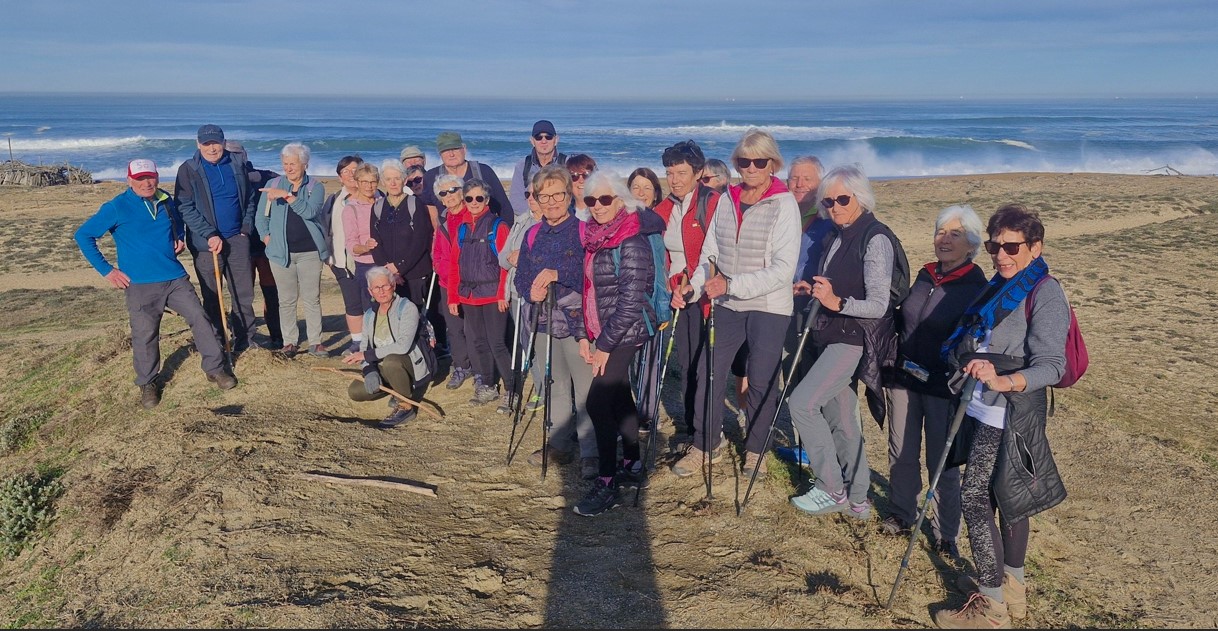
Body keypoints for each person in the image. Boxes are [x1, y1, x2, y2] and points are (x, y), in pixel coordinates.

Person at [934, 204, 1069, 629]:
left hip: (1008, 413)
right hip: (980, 405)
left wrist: (1004, 380)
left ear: (1035, 247)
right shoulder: (998, 285)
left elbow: (1052, 365)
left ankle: (990, 607)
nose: (1001, 254)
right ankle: (1013, 592)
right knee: (1005, 501)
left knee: (975, 498)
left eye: (1011, 246)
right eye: (995, 246)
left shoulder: (1044, 291)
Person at [671, 130, 800, 479]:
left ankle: (756, 450)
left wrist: (732, 283)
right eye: (745, 161)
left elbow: (782, 270)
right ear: (736, 163)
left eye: (760, 161)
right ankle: (705, 445)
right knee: (707, 372)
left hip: (769, 306)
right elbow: (709, 254)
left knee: (760, 380)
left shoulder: (784, 203)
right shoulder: (727, 197)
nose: (752, 168)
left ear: (773, 164)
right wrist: (694, 287)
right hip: (727, 303)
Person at [75, 159, 237, 409]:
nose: (146, 183)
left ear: (157, 177)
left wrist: (179, 237)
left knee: (200, 318)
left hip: (174, 278)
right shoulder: (116, 207)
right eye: (140, 179)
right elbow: (84, 236)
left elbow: (177, 224)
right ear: (129, 180)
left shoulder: (166, 200)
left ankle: (215, 369)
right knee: (145, 334)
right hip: (139, 284)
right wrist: (108, 272)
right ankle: (148, 382)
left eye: (150, 177)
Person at [787, 164, 899, 520]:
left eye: (842, 199)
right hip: (831, 332)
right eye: (828, 201)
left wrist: (837, 303)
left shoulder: (875, 237)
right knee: (843, 421)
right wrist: (817, 293)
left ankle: (830, 488)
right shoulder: (838, 234)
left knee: (802, 403)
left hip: (852, 339)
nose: (834, 206)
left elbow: (880, 303)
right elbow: (840, 286)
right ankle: (859, 499)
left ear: (860, 197)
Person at [881, 205, 988, 559]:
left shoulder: (977, 286)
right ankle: (901, 513)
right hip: (904, 378)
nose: (945, 240)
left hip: (945, 386)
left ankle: (946, 534)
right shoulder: (925, 274)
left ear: (971, 244)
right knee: (901, 451)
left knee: (941, 462)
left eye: (955, 234)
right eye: (941, 232)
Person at [573, 170, 657, 516]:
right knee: (620, 394)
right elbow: (588, 289)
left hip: (626, 332)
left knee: (596, 403)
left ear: (620, 200)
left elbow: (630, 302)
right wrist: (582, 333)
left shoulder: (631, 239)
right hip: (603, 331)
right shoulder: (594, 238)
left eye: (605, 199)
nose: (597, 206)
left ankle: (607, 483)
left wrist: (603, 345)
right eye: (591, 200)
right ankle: (633, 463)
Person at [515, 165, 599, 478]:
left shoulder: (583, 231)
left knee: (586, 388)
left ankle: (592, 451)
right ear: (535, 198)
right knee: (555, 385)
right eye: (544, 196)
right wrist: (530, 291)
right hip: (540, 322)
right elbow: (521, 276)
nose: (551, 201)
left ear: (569, 195)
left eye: (557, 194)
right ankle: (560, 445)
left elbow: (592, 275)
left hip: (576, 323)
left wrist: (557, 275)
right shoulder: (532, 233)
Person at [652, 140, 730, 438]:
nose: (675, 180)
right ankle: (690, 422)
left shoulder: (713, 203)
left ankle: (710, 429)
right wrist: (672, 286)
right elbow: (662, 256)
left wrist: (693, 281)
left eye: (682, 172)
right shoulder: (663, 208)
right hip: (680, 295)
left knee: (706, 364)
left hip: (710, 294)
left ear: (698, 173)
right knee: (687, 362)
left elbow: (718, 252)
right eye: (670, 173)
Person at [174, 124, 260, 353]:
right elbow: (184, 207)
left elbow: (249, 198)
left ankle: (246, 339)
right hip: (206, 245)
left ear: (223, 142)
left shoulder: (236, 163)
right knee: (212, 296)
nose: (212, 148)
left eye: (216, 143)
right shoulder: (188, 169)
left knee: (243, 294)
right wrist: (209, 233)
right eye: (206, 143)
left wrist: (246, 228)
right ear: (198, 144)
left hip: (237, 239)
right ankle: (218, 341)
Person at [253, 142, 329, 358]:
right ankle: (290, 342)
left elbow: (310, 211)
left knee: (311, 298)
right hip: (280, 254)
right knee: (286, 299)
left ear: (304, 164)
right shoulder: (273, 184)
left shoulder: (316, 187)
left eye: (293, 163)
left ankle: (315, 342)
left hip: (310, 253)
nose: (288, 168)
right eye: (285, 163)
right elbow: (261, 217)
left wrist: (287, 196)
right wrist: (266, 237)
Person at [342, 266, 434, 429]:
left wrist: (367, 356)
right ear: (371, 292)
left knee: (392, 361)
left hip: (409, 363)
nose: (382, 291)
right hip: (383, 366)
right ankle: (397, 385)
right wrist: (369, 371)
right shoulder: (370, 315)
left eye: (385, 286)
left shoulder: (407, 308)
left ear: (393, 286)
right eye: (376, 288)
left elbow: (402, 346)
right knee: (355, 391)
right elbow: (365, 347)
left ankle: (405, 407)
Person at [448, 178, 512, 406]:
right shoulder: (462, 228)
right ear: (464, 200)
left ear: (486, 200)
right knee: (478, 342)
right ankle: (487, 386)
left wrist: (504, 294)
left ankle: (510, 389)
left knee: (497, 343)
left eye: (479, 198)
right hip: (469, 296)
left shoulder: (498, 226)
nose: (474, 202)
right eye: (469, 198)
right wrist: (453, 297)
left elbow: (505, 263)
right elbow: (454, 265)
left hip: (494, 295)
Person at [228, 140, 283, 350]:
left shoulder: (266, 176)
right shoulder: (223, 179)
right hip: (239, 247)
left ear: (245, 155)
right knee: (242, 294)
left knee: (271, 292)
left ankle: (277, 336)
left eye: (236, 154)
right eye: (229, 154)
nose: (233, 157)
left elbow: (285, 185)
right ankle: (241, 336)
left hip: (266, 245)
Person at [497, 173, 545, 414]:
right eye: (527, 194)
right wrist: (514, 257)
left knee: (540, 342)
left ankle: (546, 390)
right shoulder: (520, 221)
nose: (531, 199)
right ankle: (540, 387)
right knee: (527, 344)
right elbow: (502, 259)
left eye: (536, 194)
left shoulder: (549, 223)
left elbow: (545, 260)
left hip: (539, 294)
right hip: (516, 292)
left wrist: (522, 258)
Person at [431, 173, 474, 390]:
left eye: (453, 190)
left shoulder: (473, 214)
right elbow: (437, 252)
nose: (448, 195)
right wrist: (441, 269)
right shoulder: (443, 219)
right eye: (443, 193)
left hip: (471, 282)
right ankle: (461, 366)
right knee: (454, 328)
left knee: (474, 328)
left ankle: (479, 368)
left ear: (462, 191)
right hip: (448, 283)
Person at [370, 160, 433, 307]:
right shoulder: (378, 207)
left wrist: (399, 267)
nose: (393, 183)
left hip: (414, 273)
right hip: (388, 275)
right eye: (388, 179)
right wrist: (388, 269)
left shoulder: (415, 204)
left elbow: (421, 241)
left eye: (397, 178)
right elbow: (375, 241)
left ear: (404, 180)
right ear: (383, 182)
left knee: (415, 316)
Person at [322, 155, 367, 357]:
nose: (350, 175)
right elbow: (325, 229)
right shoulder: (333, 201)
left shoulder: (375, 197)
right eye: (345, 171)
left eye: (354, 170)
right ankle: (357, 342)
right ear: (339, 177)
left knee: (372, 303)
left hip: (370, 261)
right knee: (352, 304)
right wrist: (329, 258)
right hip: (342, 261)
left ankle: (373, 342)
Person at [420, 131, 513, 227]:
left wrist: (506, 236)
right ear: (440, 154)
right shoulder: (431, 177)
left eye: (455, 149)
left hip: (483, 236)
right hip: (448, 235)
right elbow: (430, 208)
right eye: (446, 150)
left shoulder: (484, 172)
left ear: (464, 149)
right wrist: (437, 232)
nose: (451, 154)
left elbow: (504, 208)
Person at [342, 163, 384, 339]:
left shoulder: (384, 203)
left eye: (373, 182)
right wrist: (365, 247)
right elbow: (351, 245)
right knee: (370, 310)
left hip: (388, 264)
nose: (369, 186)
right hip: (366, 266)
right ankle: (369, 349)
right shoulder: (350, 209)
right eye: (365, 182)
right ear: (357, 182)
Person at [509, 119, 569, 217]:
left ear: (556, 140)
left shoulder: (566, 164)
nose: (544, 141)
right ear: (532, 141)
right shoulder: (522, 167)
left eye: (548, 137)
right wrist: (537, 215)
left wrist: (552, 216)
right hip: (532, 220)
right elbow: (515, 201)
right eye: (538, 137)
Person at [787, 155, 825, 229]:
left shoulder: (826, 215)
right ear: (788, 182)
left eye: (807, 179)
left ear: (821, 183)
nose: (799, 184)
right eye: (794, 178)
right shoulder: (782, 210)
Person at [566, 154, 597, 221]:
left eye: (586, 175)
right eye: (574, 176)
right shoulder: (563, 212)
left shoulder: (602, 210)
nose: (581, 181)